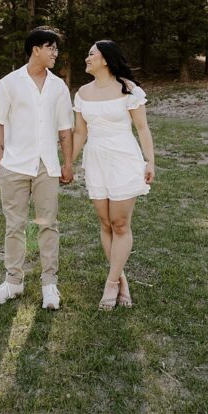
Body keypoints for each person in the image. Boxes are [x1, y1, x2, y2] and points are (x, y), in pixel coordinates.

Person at [63, 39, 155, 310]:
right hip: (96, 161)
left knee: (120, 223)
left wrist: (150, 161)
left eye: (91, 54)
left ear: (105, 59)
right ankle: (120, 278)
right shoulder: (82, 93)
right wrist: (68, 163)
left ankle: (110, 284)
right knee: (105, 224)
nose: (86, 59)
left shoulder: (129, 90)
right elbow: (80, 132)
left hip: (124, 159)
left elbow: (143, 129)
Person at [0, 27, 74, 311]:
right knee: (15, 226)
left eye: (56, 49)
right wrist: (1, 162)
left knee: (48, 225)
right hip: (14, 165)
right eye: (51, 48)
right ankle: (13, 282)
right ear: (35, 49)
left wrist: (68, 162)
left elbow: (65, 129)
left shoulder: (59, 86)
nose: (55, 53)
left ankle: (50, 284)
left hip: (47, 166)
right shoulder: (9, 83)